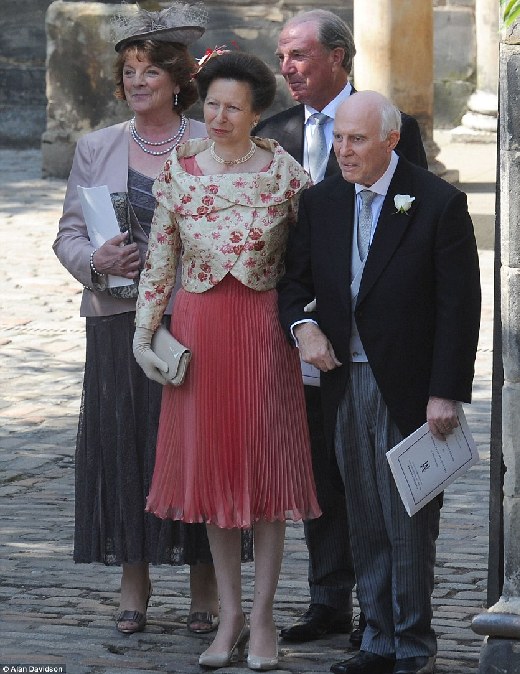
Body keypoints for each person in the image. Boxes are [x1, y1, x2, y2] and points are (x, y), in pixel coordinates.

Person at [278, 91, 481, 674]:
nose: (343, 150)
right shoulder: (321, 203)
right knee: (362, 514)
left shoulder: (437, 202)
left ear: (391, 141)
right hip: (342, 382)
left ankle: (414, 646)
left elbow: (459, 306)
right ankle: (376, 640)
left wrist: (445, 391)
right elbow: (294, 285)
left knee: (409, 521)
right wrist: (304, 327)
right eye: (339, 138)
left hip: (409, 388)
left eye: (357, 139)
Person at [133, 50, 320, 671]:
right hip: (200, 335)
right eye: (211, 103)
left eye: (232, 106)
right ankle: (229, 616)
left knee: (264, 476)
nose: (218, 115)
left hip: (263, 335)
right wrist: (144, 335)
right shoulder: (180, 174)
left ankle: (263, 618)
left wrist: (311, 324)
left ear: (256, 113)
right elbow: (160, 263)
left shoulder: (285, 176)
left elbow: (310, 262)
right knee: (212, 475)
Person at [254, 9, 428, 648]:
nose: (287, 68)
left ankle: (380, 614)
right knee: (320, 474)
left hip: (376, 347)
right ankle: (328, 598)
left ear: (338, 57)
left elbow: (415, 224)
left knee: (377, 481)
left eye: (299, 55)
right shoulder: (273, 132)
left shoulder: (392, 127)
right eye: (281, 56)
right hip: (304, 338)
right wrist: (299, 322)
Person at [52, 2, 220, 636]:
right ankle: (135, 583)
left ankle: (206, 581)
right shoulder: (96, 147)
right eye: (128, 72)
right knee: (126, 447)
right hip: (117, 319)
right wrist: (95, 259)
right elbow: (67, 234)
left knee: (196, 448)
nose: (136, 82)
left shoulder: (210, 143)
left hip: (193, 318)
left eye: (149, 71)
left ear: (178, 81)